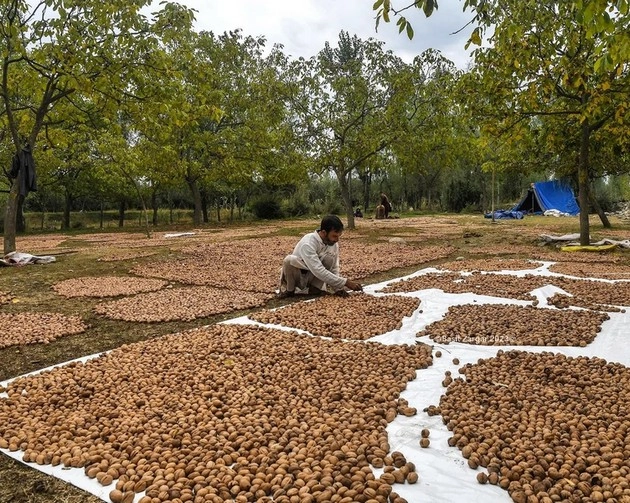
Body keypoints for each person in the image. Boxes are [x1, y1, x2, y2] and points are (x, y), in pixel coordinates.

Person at [278, 215, 363, 298]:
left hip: (311, 277)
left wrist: (338, 289)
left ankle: (315, 289)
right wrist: (346, 282)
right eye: (334, 236)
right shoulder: (308, 243)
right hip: (298, 276)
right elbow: (318, 270)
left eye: (338, 236)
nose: (337, 240)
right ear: (324, 232)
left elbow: (334, 267)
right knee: (288, 260)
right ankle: (290, 291)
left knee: (328, 259)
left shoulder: (333, 244)